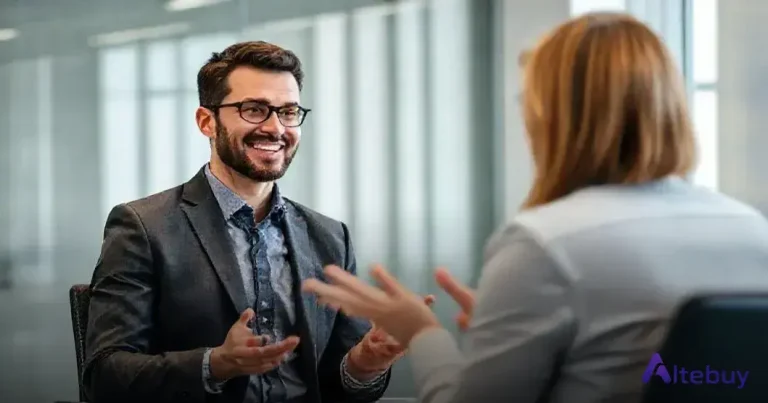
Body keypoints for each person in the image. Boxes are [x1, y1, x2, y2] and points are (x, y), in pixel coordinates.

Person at [302, 12, 768, 403]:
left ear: (554, 118)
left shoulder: (547, 244)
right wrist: (517, 316)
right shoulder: (751, 229)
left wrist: (422, 331)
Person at [84, 41, 419, 403]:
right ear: (206, 122)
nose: (276, 128)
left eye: (289, 112)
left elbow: (336, 386)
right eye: (255, 110)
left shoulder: (330, 237)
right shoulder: (144, 227)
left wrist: (365, 364)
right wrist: (216, 364)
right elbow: (105, 375)